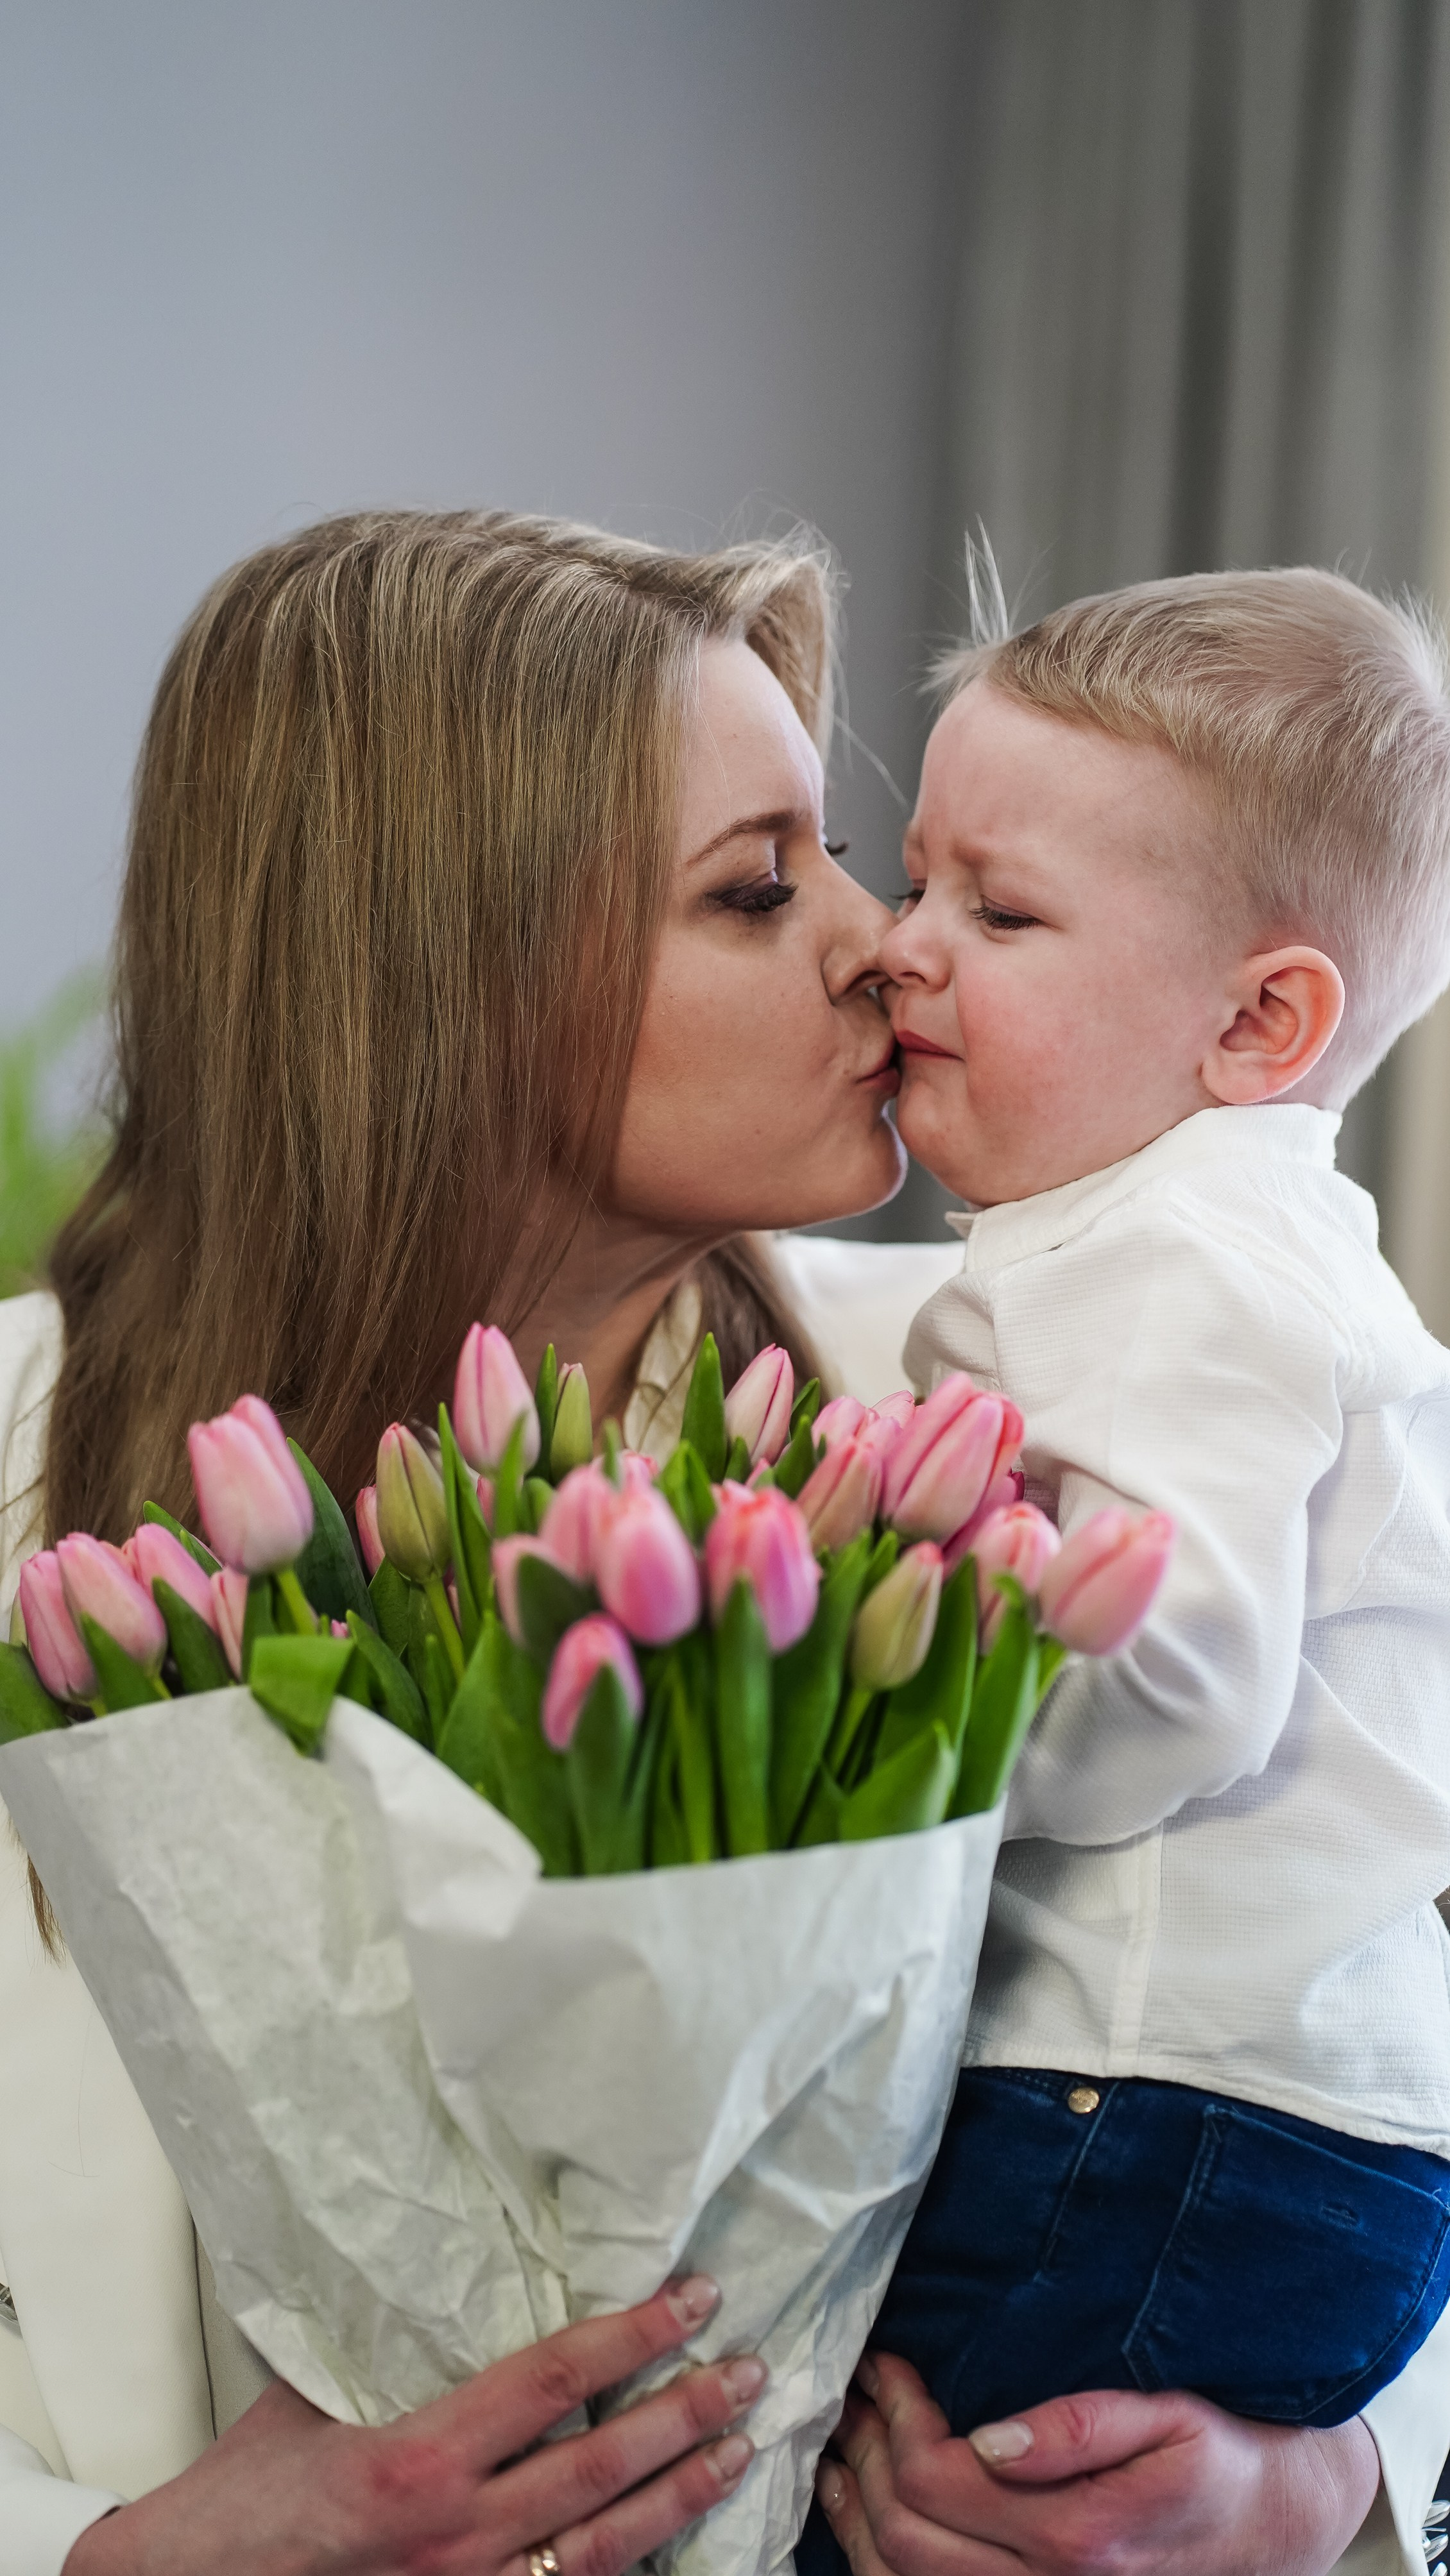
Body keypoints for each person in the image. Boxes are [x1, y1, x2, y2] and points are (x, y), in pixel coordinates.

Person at [0, 513, 1437, 2575]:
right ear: (442, 971)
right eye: (763, 886)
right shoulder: (17, 1459)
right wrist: (109, 2555)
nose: (878, 941)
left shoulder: (999, 1411)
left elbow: (1337, 1944)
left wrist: (1318, 2481)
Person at [801, 567, 1450, 2572]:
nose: (894, 950)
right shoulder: (1213, 1256)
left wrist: (878, 1727)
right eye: (905, 878)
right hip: (1255, 2120)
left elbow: (1169, 1678)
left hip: (1152, 2107)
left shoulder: (1170, 1264)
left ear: (1257, 1020)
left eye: (996, 914)